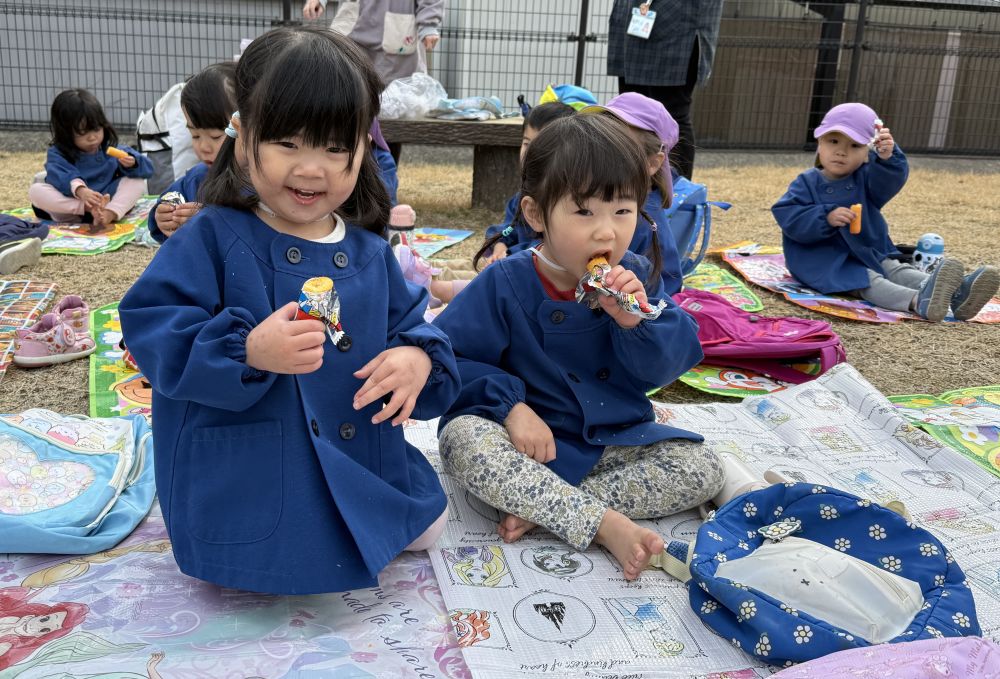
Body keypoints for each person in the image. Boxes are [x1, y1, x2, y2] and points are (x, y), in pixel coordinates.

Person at [118, 26, 460, 595]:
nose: (312, 169)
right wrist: (247, 351)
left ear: (363, 151)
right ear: (244, 139)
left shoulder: (370, 253)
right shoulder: (213, 235)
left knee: (429, 525)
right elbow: (154, 326)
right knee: (278, 546)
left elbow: (414, 328)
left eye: (334, 148)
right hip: (256, 462)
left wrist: (416, 359)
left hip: (355, 451)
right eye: (288, 143)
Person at [434, 114, 723, 581]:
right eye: (584, 212)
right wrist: (510, 407)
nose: (606, 232)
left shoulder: (635, 276)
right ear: (535, 215)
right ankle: (604, 523)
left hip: (611, 439)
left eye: (622, 211)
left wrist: (636, 321)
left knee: (702, 466)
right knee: (462, 441)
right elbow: (448, 358)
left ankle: (552, 505)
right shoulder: (506, 281)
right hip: (528, 443)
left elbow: (670, 362)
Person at [772, 103, 999, 323]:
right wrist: (825, 217)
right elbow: (787, 214)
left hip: (868, 250)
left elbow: (889, 180)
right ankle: (918, 301)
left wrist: (888, 158)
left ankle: (959, 293)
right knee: (869, 280)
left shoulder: (866, 177)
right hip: (824, 260)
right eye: (833, 141)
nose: (841, 151)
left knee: (895, 268)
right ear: (819, 143)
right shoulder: (806, 182)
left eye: (855, 145)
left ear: (867, 153)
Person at [303, 0, 446, 162]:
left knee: (390, 114)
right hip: (354, 28)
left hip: (396, 39)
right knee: (346, 105)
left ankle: (384, 170)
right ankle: (349, 167)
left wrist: (428, 24)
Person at [606, 0, 724, 179]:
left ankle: (678, 189)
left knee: (673, 114)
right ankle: (633, 184)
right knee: (629, 113)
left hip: (678, 29)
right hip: (634, 22)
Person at [581, 92, 684, 295]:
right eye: (603, 141)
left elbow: (662, 294)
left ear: (652, 163)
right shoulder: (608, 198)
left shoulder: (643, 219)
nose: (605, 154)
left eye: (622, 149)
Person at [29, 89, 153, 228]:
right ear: (65, 133)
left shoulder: (110, 148)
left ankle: (110, 213)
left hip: (106, 200)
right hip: (74, 207)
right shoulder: (58, 153)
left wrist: (133, 163)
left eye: (96, 129)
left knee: (136, 181)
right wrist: (81, 191)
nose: (92, 137)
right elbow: (60, 175)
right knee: (36, 190)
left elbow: (148, 169)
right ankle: (88, 209)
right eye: (83, 132)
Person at [148, 62, 236, 243]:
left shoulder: (263, 184)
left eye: (215, 136)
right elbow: (168, 200)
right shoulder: (196, 179)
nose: (203, 146)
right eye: (195, 135)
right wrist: (163, 218)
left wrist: (207, 221)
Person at [480, 102, 575, 265]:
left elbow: (546, 249)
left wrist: (510, 253)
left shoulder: (566, 203)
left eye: (541, 146)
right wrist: (500, 245)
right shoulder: (521, 198)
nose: (530, 152)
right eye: (527, 143)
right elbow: (508, 229)